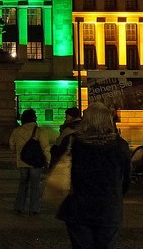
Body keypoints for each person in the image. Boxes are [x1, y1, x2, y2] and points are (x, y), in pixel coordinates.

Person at [56, 102, 132, 249]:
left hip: (79, 207)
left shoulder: (73, 142)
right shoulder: (120, 145)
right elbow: (126, 178)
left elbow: (57, 166)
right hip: (108, 207)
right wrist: (116, 195)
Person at [9, 108, 53, 215]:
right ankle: (34, 209)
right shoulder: (40, 131)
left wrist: (19, 151)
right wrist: (48, 161)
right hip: (35, 162)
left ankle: (19, 207)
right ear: (34, 118)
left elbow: (11, 146)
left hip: (22, 162)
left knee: (23, 184)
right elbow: (45, 148)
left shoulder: (16, 131)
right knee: (35, 185)